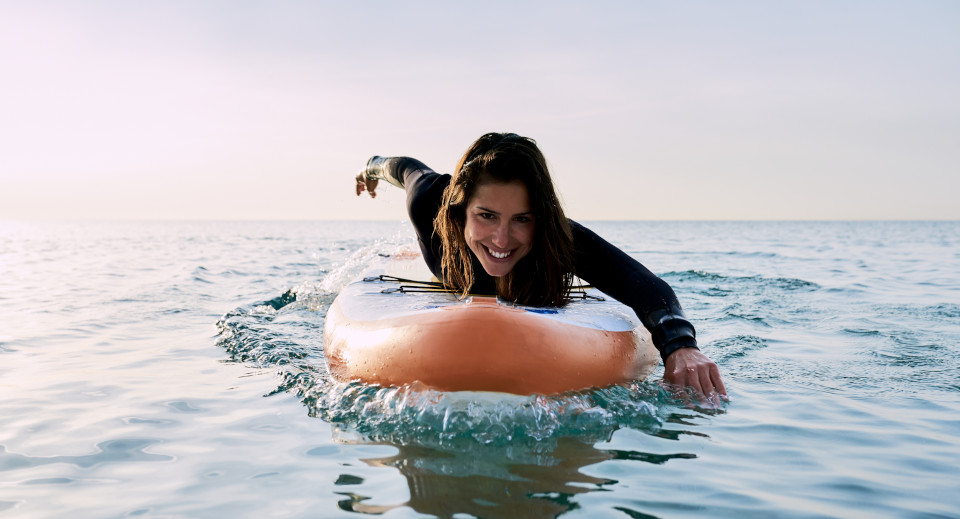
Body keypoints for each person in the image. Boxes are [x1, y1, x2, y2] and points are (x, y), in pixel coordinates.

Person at [354, 132, 726, 401]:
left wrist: (680, 346)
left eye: (522, 219)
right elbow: (399, 168)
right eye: (486, 215)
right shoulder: (429, 200)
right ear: (460, 210)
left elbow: (636, 280)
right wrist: (369, 170)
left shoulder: (556, 238)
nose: (502, 239)